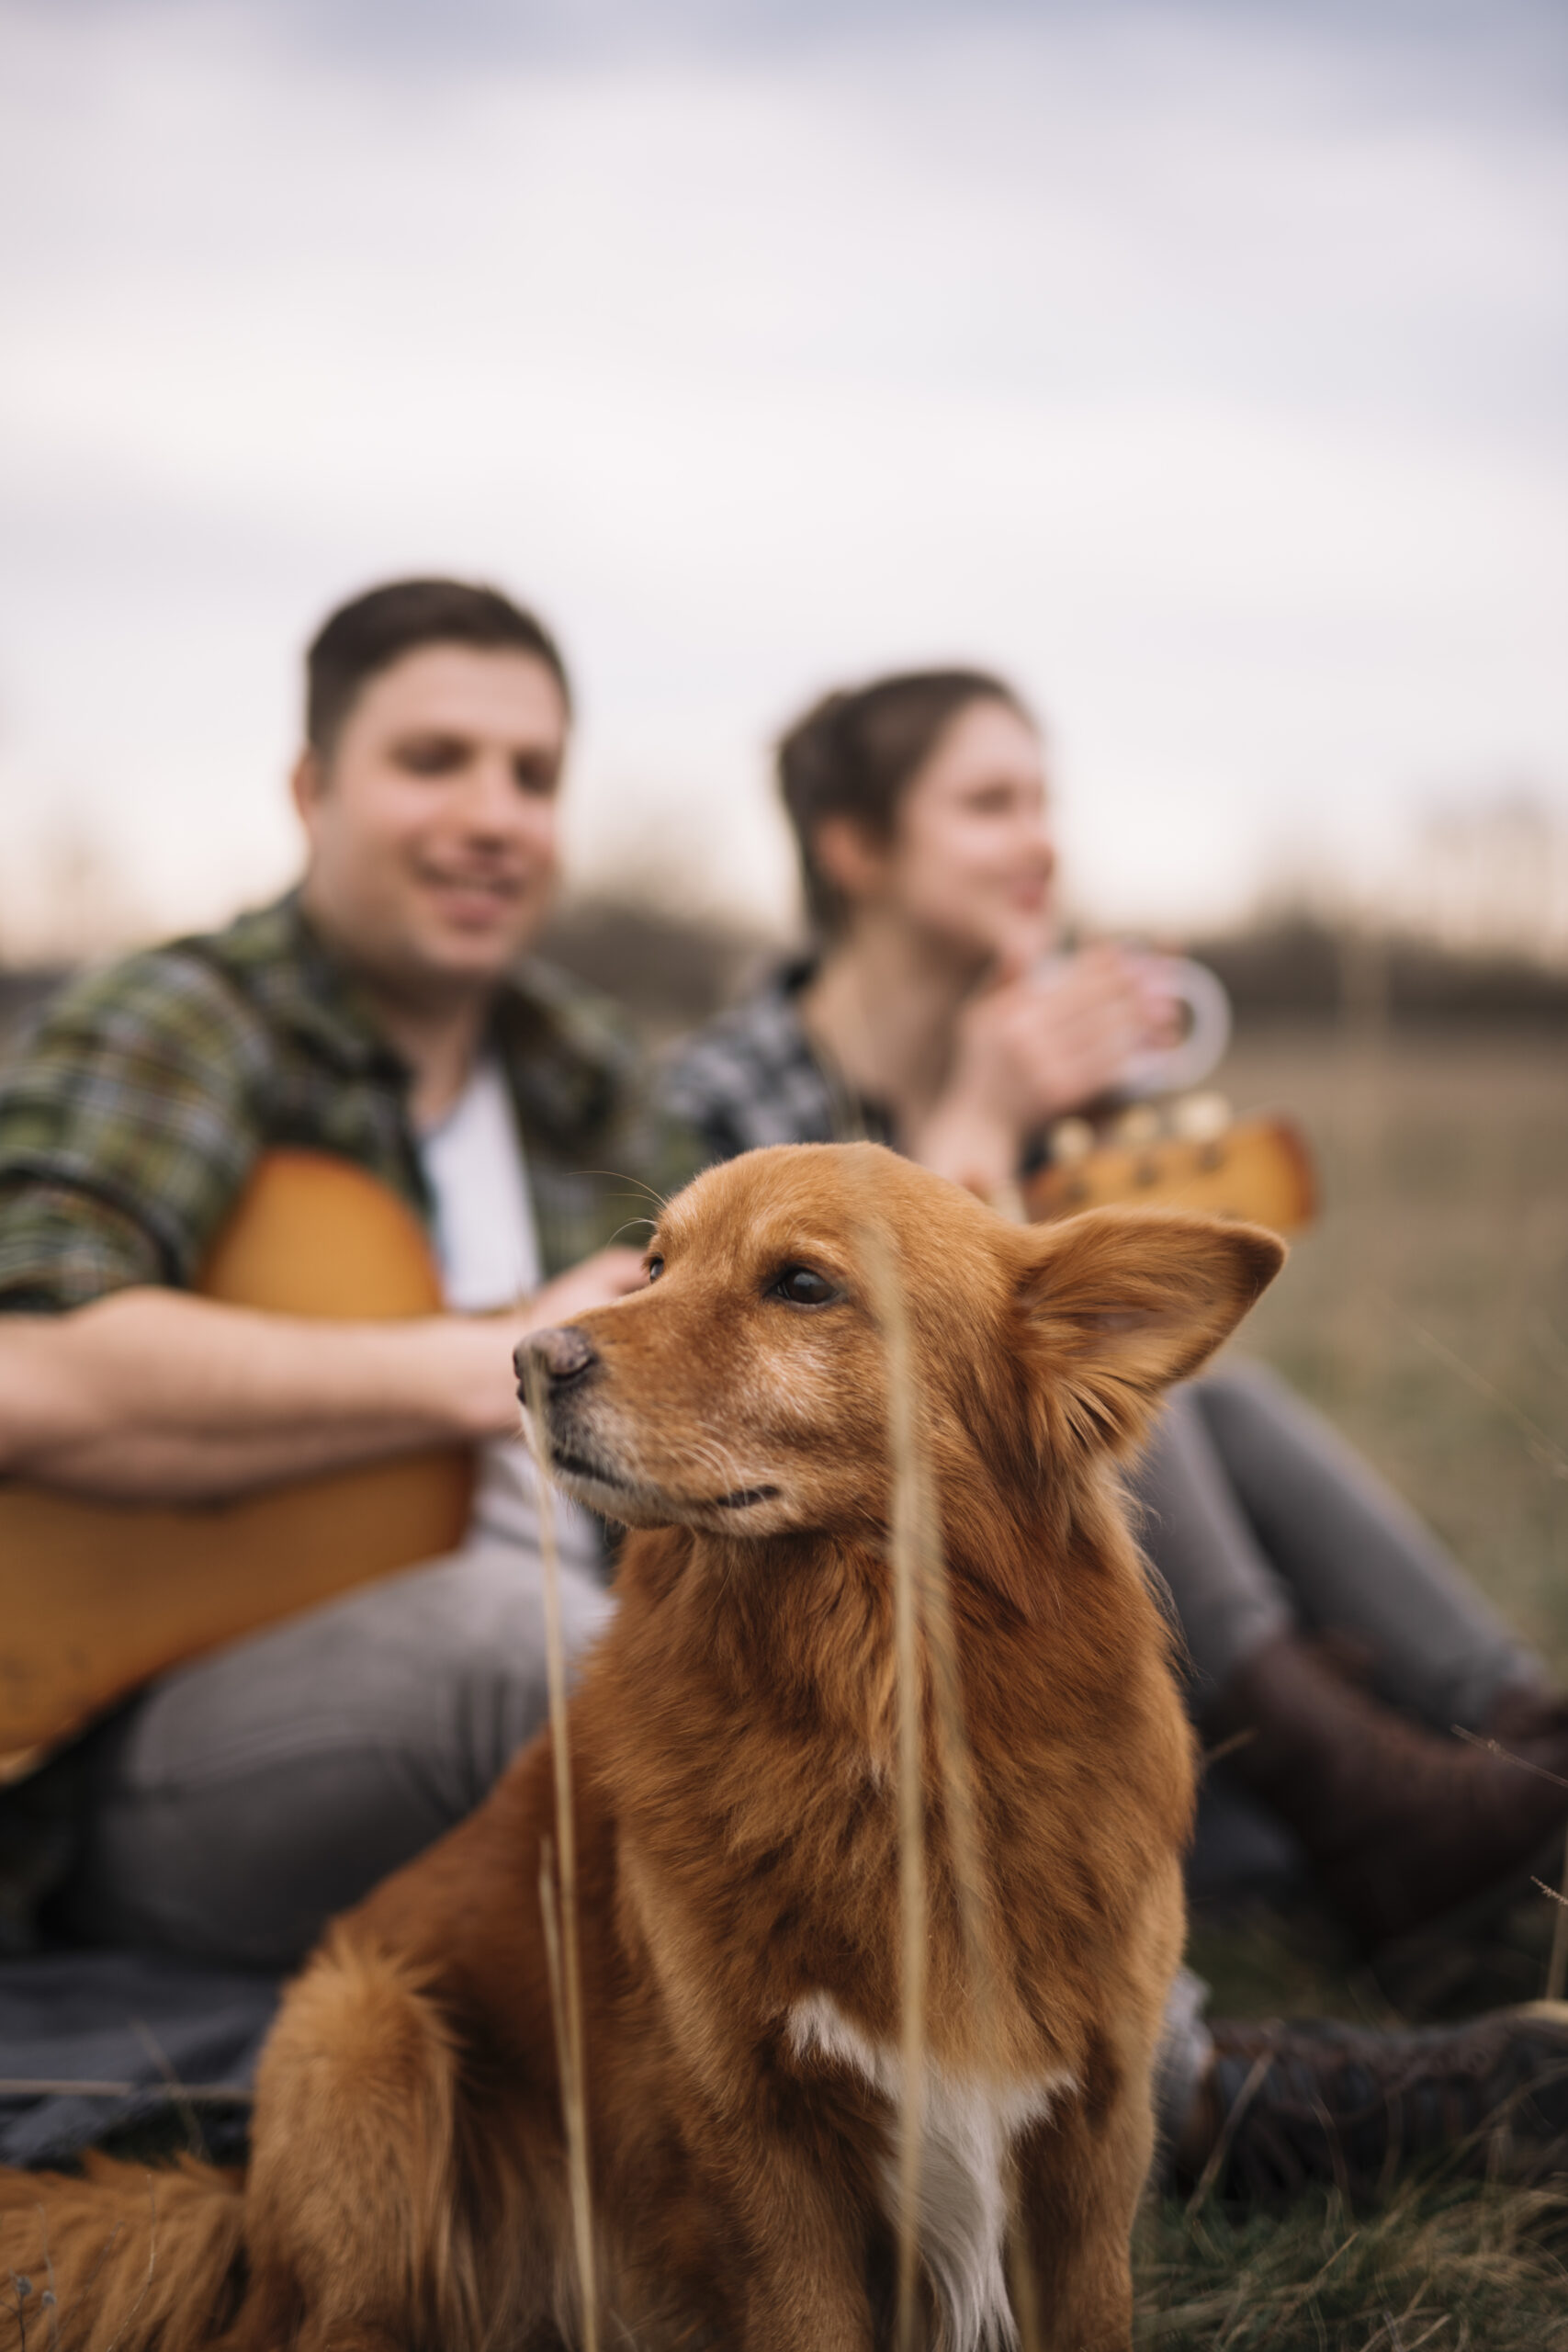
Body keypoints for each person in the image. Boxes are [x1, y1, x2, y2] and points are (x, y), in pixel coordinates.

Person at [665, 663, 1568, 2195]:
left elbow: (1149, 1302)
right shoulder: (716, 1099)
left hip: (1043, 1623)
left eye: (1047, 800)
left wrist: (1073, 1107)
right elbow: (921, 1385)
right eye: (990, 802)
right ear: (855, 849)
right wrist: (972, 1115)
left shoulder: (1070, 1053)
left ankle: (1507, 1734)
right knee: (1144, 1393)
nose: (1041, 842)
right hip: (867, 1666)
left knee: (1201, 1383)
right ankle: (1365, 1790)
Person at [0, 577, 695, 1974]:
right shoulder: (183, 1021)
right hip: (161, 1755)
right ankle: (1185, 2095)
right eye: (433, 760)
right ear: (313, 788)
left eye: (533, 774)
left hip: (594, 1666)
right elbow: (30, 1363)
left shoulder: (588, 1072)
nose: (495, 814)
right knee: (557, 1658)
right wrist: (498, 1358)